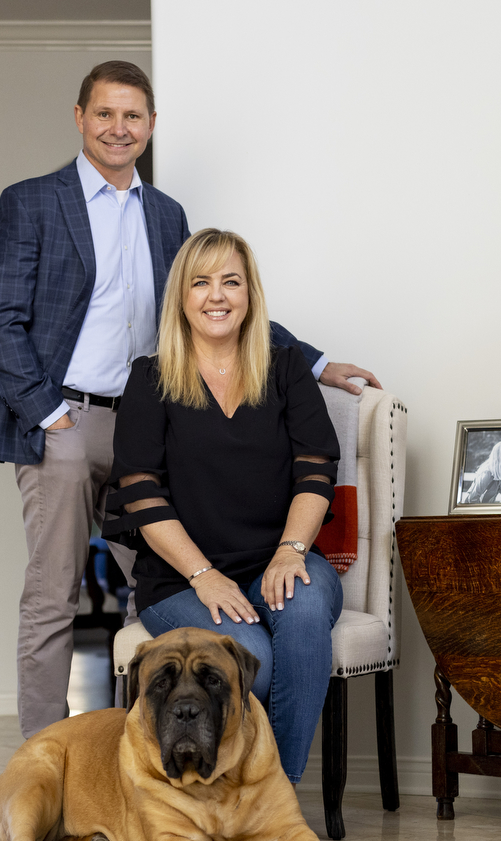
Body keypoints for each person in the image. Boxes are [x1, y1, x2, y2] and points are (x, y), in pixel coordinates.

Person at [0, 60, 379, 739]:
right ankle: (47, 758)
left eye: (133, 116)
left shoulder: (166, 214)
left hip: (153, 417)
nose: (118, 128)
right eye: (104, 113)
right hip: (67, 419)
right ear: (80, 118)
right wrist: (51, 414)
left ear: (151, 126)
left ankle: (159, 762)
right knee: (54, 594)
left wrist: (311, 361)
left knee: (168, 586)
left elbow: (214, 302)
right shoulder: (34, 201)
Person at [103, 228, 341, 784]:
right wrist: (204, 575)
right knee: (245, 661)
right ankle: (240, 800)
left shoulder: (285, 370)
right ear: (181, 297)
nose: (217, 296)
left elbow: (316, 470)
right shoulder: (150, 378)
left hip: (277, 559)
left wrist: (290, 552)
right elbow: (141, 492)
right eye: (201, 283)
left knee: (304, 610)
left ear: (250, 294)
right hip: (182, 580)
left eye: (231, 282)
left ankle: (272, 800)